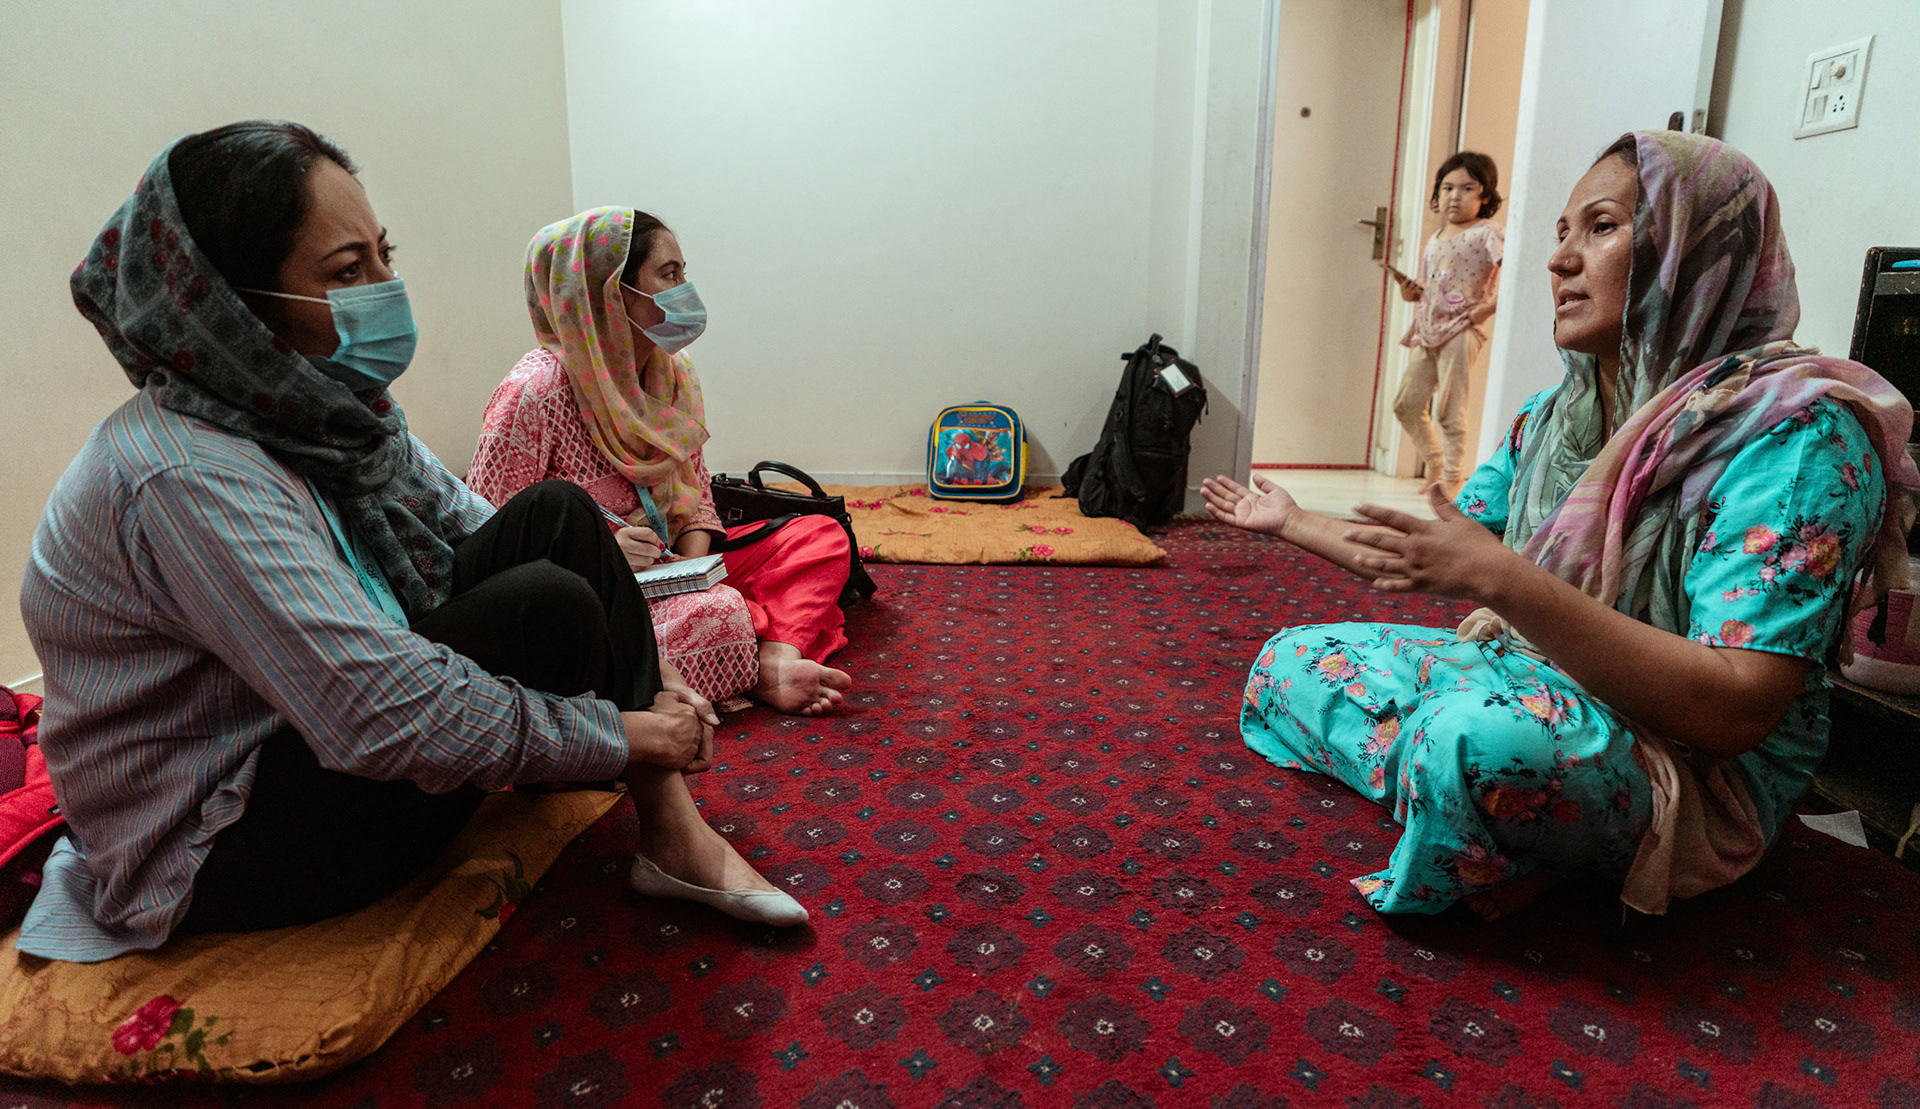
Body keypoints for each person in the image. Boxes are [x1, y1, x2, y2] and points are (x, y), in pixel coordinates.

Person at [19, 123, 807, 961]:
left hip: (308, 725)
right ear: (233, 308)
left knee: (559, 517)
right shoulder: (186, 474)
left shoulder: (334, 413)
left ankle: (672, 830)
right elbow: (376, 714)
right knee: (548, 603)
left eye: (383, 256)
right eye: (348, 273)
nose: (388, 289)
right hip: (218, 831)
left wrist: (647, 660)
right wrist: (620, 730)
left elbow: (477, 517)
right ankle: (651, 779)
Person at [1205, 131, 1918, 920]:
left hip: (1696, 763)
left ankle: (1504, 811)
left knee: (1469, 746)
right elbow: (1444, 548)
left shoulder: (1796, 438)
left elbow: (1734, 711)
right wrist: (1296, 520)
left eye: (1602, 227)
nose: (1559, 260)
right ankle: (1508, 830)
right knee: (1290, 662)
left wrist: (1505, 579)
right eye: (1560, 233)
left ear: (1698, 253)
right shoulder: (1557, 416)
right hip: (1537, 678)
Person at [467, 208, 854, 716]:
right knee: (720, 613)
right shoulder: (533, 392)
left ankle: (775, 654)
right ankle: (759, 660)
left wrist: (693, 569)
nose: (685, 290)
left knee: (818, 536)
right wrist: (596, 554)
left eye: (683, 273)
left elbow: (698, 503)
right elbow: (484, 532)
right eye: (669, 276)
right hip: (595, 588)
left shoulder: (673, 373)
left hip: (675, 569)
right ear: (612, 292)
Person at [1390, 152, 1505, 498]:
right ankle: (1435, 463)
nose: (1455, 196)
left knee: (1451, 410)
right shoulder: (1436, 237)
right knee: (1406, 403)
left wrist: (1483, 311)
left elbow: (1512, 275)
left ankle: (1453, 480)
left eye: (1467, 188)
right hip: (1427, 330)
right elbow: (1429, 287)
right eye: (1447, 188)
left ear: (1485, 197)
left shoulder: (1488, 232)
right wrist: (1410, 294)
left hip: (1461, 330)